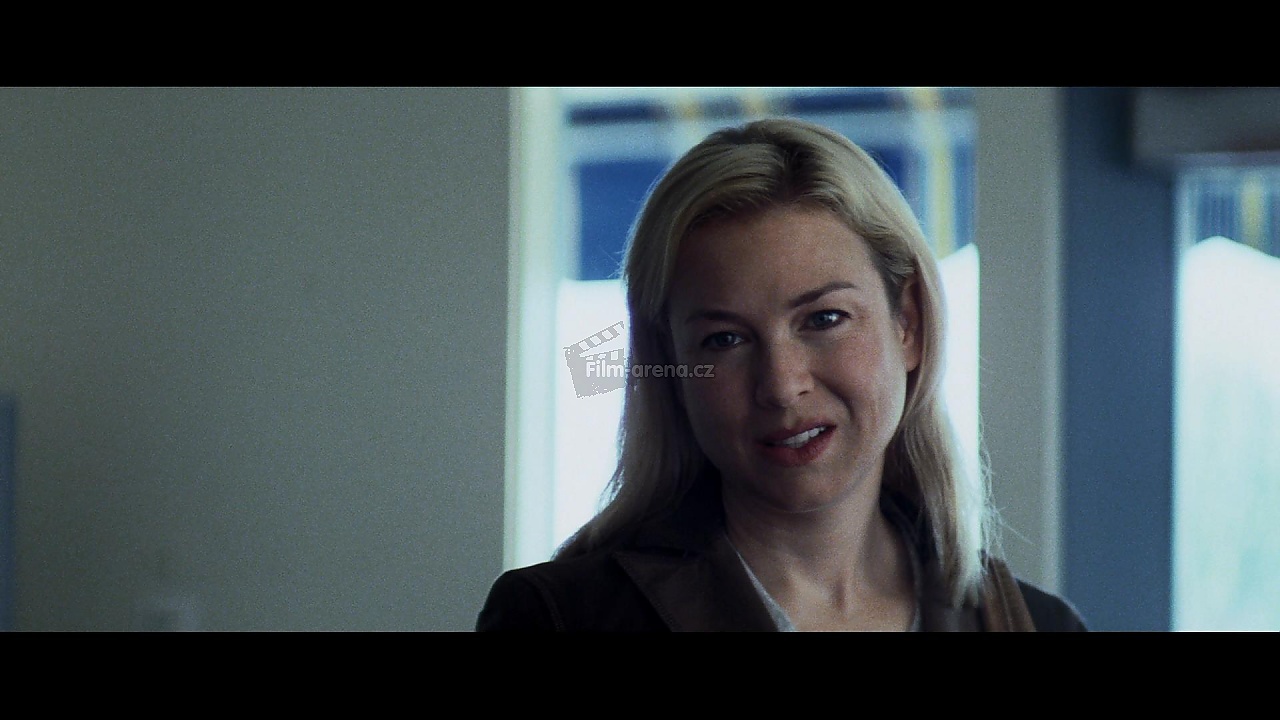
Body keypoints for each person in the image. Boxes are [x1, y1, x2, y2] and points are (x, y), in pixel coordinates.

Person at [477, 117, 1086, 631]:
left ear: (909, 325)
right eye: (725, 339)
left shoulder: (1037, 624)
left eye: (824, 319)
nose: (781, 385)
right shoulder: (558, 619)